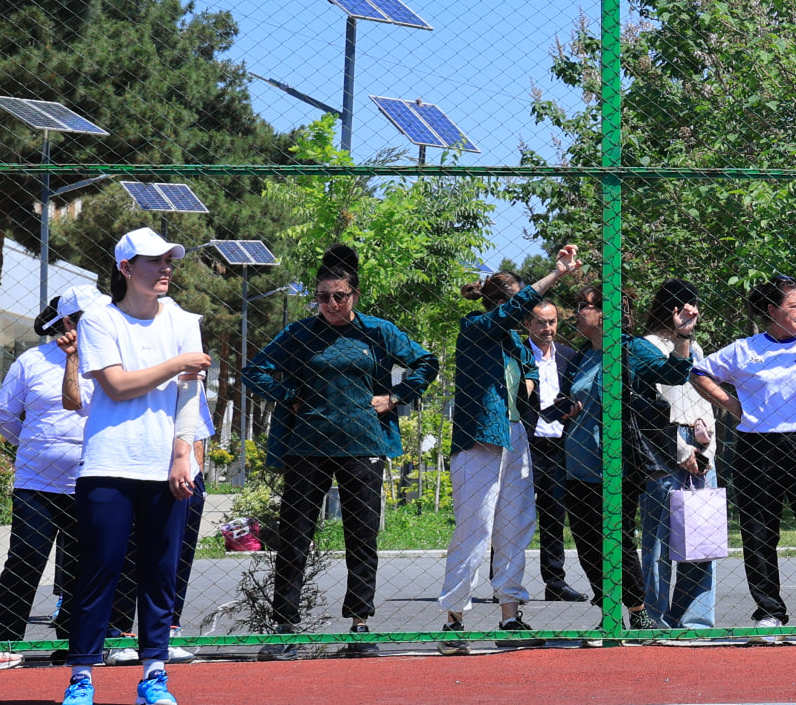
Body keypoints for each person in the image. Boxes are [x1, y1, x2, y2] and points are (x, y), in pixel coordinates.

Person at [245, 243, 439, 659]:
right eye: (322, 296)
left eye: (339, 296)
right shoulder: (299, 334)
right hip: (306, 447)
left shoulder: (378, 331)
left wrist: (396, 397)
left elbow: (427, 361)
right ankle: (285, 627)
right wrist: (287, 395)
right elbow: (254, 370)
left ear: (354, 295)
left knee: (361, 537)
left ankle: (360, 623)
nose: (330, 304)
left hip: (362, 444)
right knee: (295, 538)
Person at [59, 229, 211, 705]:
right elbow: (119, 385)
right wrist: (178, 363)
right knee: (99, 571)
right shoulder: (100, 320)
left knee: (160, 575)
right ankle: (81, 676)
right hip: (108, 465)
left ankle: (153, 674)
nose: (165, 268)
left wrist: (183, 453)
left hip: (163, 468)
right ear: (126, 268)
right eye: (153, 261)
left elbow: (190, 398)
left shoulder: (187, 321)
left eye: (169, 261)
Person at [693, 262, 796, 635]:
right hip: (757, 448)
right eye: (794, 306)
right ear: (772, 311)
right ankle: (769, 613)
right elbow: (699, 372)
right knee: (758, 531)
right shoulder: (744, 350)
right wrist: (733, 406)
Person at [440, 245, 579, 648]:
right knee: (475, 529)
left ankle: (510, 616)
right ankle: (452, 621)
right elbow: (510, 313)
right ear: (503, 304)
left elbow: (530, 368)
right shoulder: (475, 328)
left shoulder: (516, 344)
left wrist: (532, 383)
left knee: (515, 528)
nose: (529, 316)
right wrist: (557, 274)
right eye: (521, 305)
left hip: (517, 437)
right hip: (481, 440)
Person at [0, 291, 94, 662]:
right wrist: (33, 444)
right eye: (87, 318)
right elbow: (2, 416)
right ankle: (5, 642)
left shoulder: (112, 361)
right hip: (37, 483)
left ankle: (72, 643)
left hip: (90, 480)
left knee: (85, 562)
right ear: (67, 322)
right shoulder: (32, 360)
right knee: (26, 556)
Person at [624, 279, 716, 631]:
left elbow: (702, 398)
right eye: (684, 305)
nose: (692, 312)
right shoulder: (645, 346)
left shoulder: (696, 347)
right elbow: (651, 410)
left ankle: (694, 621)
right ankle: (655, 616)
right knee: (659, 541)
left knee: (701, 539)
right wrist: (678, 449)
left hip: (702, 446)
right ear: (669, 308)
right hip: (664, 446)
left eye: (695, 305)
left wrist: (707, 450)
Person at [521, 294, 587, 605]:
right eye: (541, 322)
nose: (548, 328)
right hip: (525, 444)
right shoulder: (518, 355)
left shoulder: (569, 357)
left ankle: (555, 582)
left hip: (560, 445)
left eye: (552, 322)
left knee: (554, 517)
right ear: (527, 325)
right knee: (514, 514)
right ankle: (504, 583)